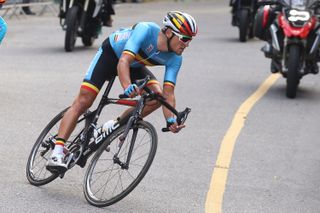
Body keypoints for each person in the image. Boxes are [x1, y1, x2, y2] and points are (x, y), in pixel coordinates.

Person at [46, 11, 198, 172]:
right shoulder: (146, 29)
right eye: (185, 39)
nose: (186, 44)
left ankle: (114, 125)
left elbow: (169, 94)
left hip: (135, 65)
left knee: (157, 97)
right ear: (169, 33)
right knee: (84, 101)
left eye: (190, 40)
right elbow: (123, 61)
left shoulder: (175, 58)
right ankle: (57, 152)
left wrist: (171, 121)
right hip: (111, 55)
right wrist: (127, 87)